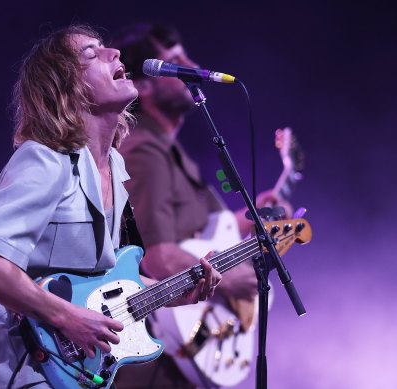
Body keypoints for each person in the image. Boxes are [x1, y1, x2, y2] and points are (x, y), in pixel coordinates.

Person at [0, 25, 222, 389]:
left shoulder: (113, 167)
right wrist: (65, 317)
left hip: (78, 375)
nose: (115, 54)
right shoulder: (45, 160)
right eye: (92, 54)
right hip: (28, 372)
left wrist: (174, 293)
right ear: (65, 87)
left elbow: (102, 283)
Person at [110, 23, 292, 388]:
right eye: (174, 61)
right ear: (144, 83)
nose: (190, 65)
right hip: (157, 361)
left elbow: (204, 227)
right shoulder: (144, 151)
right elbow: (155, 256)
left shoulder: (169, 150)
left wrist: (254, 216)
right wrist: (230, 280)